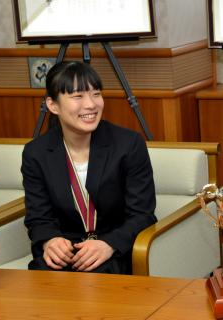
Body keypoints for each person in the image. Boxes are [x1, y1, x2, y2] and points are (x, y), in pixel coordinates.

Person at [22, 61, 157, 274]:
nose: (91, 105)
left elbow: (143, 215)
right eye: (78, 97)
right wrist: (50, 241)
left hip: (114, 252)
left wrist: (109, 244)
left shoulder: (128, 144)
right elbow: (38, 216)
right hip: (66, 254)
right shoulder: (36, 153)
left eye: (96, 94)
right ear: (52, 105)